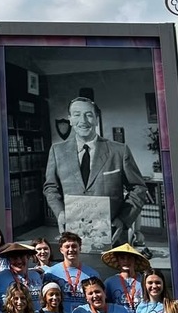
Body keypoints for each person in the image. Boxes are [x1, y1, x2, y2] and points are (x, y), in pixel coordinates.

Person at [43, 96, 149, 248]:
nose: (83, 121)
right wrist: (60, 213)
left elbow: (139, 188)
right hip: (72, 238)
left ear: (97, 119)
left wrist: (123, 220)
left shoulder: (119, 151)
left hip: (113, 236)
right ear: (70, 119)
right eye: (77, 115)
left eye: (89, 115)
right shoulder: (57, 151)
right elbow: (50, 187)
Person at [44, 232, 95, 313]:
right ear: (61, 250)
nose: (71, 250)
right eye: (67, 247)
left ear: (80, 248)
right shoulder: (51, 273)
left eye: (74, 246)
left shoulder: (92, 274)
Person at [0, 243, 43, 311]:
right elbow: (0, 304)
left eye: (22, 257)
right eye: (14, 258)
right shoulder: (1, 278)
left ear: (28, 257)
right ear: (9, 260)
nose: (19, 261)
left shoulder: (35, 276)